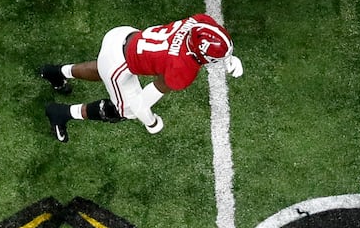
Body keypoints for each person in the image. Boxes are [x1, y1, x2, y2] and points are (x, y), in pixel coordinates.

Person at [37, 13, 243, 142]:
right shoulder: (182, 69)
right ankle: (61, 112)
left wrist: (227, 58)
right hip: (121, 65)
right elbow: (140, 103)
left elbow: (205, 39)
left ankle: (54, 72)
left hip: (123, 35)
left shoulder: (201, 21)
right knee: (125, 110)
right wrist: (152, 123)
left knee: (103, 68)